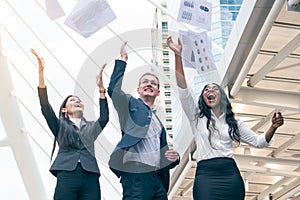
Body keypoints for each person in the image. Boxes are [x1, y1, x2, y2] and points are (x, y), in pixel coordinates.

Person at [167, 36, 284, 200]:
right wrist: (178, 55)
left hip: (230, 175)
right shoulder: (197, 118)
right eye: (206, 90)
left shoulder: (234, 123)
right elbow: (183, 91)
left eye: (214, 88)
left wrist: (273, 127)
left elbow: (259, 142)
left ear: (221, 97)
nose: (209, 91)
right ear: (203, 98)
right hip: (206, 176)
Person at [31, 49, 109, 200]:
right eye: (72, 100)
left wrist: (101, 89)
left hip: (90, 175)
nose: (77, 101)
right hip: (67, 173)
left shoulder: (91, 127)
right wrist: (41, 73)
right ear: (65, 109)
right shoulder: (59, 126)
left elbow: (104, 117)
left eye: (79, 100)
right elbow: (45, 106)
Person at [107, 42, 180, 200]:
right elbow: (113, 90)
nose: (149, 84)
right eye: (145, 82)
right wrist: (122, 62)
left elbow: (163, 156)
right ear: (139, 89)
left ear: (158, 92)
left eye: (153, 83)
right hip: (136, 175)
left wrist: (175, 158)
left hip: (157, 179)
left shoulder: (159, 124)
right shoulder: (131, 105)